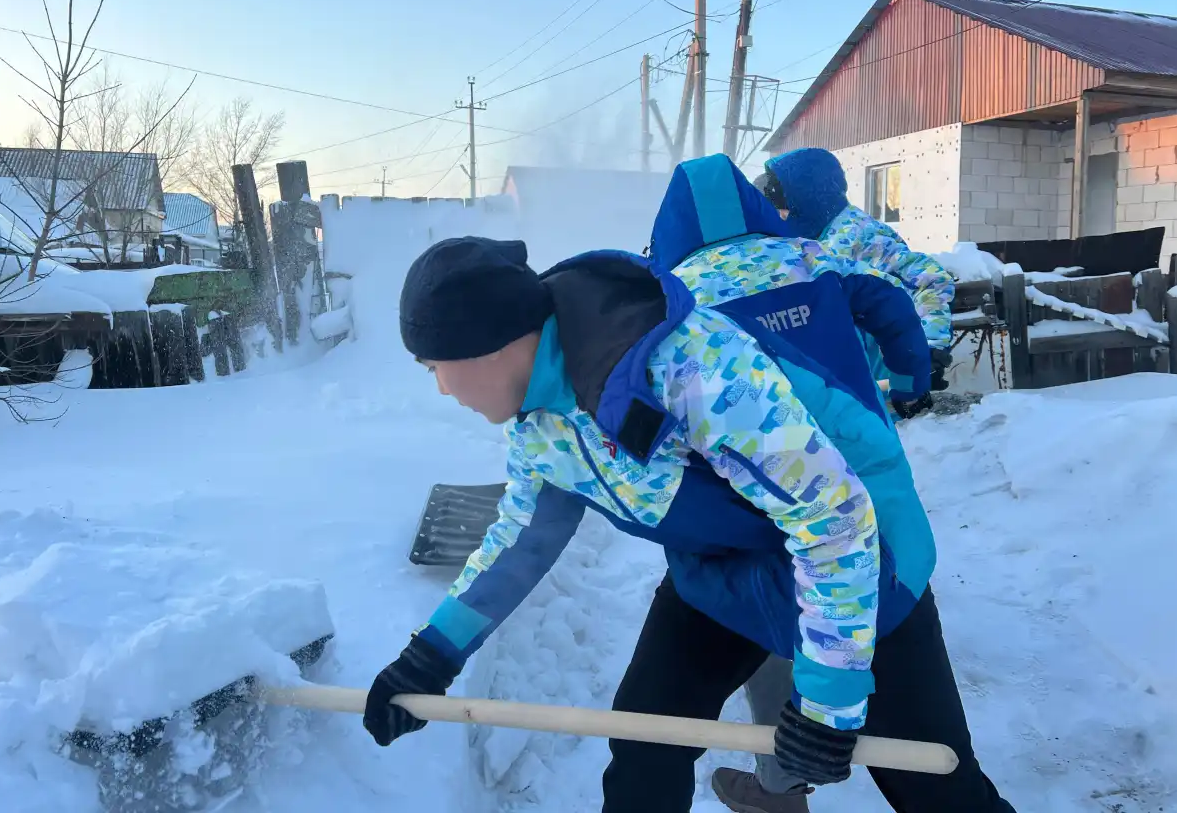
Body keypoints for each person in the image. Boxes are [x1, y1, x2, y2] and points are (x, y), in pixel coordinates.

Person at [366, 228, 1012, 813]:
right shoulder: (540, 424)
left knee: (940, 793)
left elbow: (832, 515)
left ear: (488, 346)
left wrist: (828, 700)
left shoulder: (684, 365)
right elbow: (520, 542)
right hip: (723, 570)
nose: (443, 390)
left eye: (435, 369)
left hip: (866, 560)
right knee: (644, 740)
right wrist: (431, 656)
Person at [648, 154, 1009, 813]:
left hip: (745, 532)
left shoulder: (669, 299)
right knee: (927, 746)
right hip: (868, 513)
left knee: (762, 633)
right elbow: (898, 302)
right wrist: (911, 377)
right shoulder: (817, 258)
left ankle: (779, 785)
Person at [756, 147, 956, 403]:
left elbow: (930, 279)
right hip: (842, 377)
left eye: (781, 203)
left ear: (805, 196)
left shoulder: (860, 236)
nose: (778, 214)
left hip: (879, 374)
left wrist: (928, 346)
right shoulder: (812, 236)